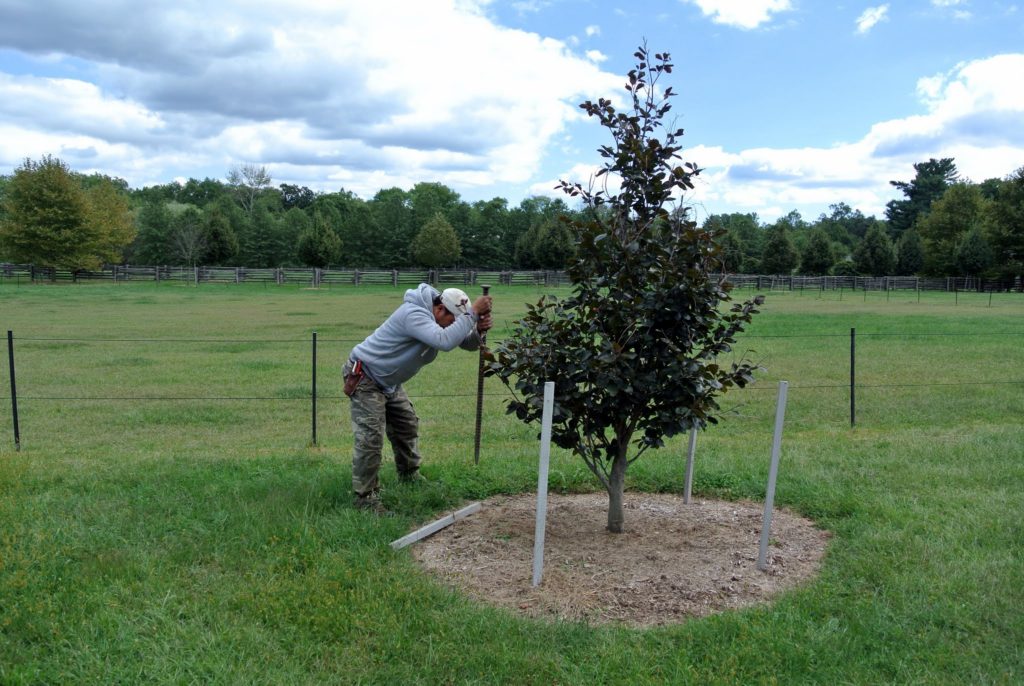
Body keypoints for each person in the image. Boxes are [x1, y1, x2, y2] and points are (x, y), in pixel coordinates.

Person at [343, 283, 493, 511]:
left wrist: (478, 330)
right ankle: (365, 498)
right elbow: (445, 341)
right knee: (370, 439)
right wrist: (472, 315)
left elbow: (465, 342)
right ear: (440, 309)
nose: (454, 325)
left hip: (389, 382)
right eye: (453, 320)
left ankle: (409, 475)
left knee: (407, 425)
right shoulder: (413, 314)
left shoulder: (440, 317)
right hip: (366, 377)